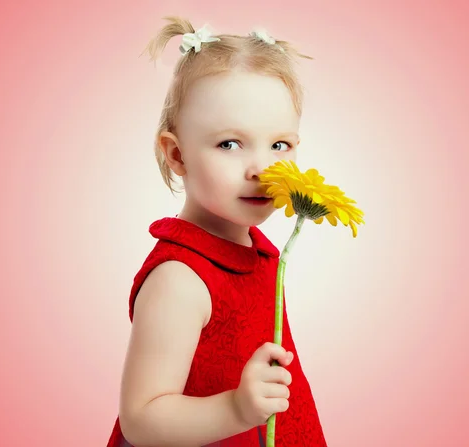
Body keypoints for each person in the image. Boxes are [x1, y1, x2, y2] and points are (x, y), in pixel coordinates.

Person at [107, 16, 327, 447]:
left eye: (279, 144)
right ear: (178, 155)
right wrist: (236, 409)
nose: (262, 169)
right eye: (230, 143)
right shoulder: (180, 279)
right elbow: (141, 418)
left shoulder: (257, 250)